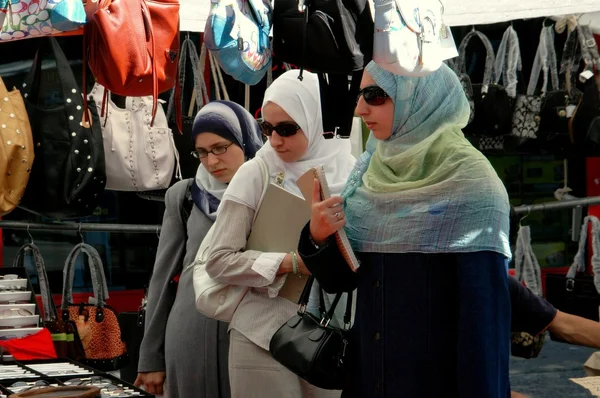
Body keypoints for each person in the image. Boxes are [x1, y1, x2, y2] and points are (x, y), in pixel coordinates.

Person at [299, 61, 512, 397]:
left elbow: (483, 325)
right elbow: (342, 280)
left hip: (433, 383)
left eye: (375, 94)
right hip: (370, 378)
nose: (360, 108)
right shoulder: (370, 173)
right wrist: (318, 235)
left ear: (420, 97)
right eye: (360, 94)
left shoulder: (474, 187)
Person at [205, 70, 356, 398]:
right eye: (266, 128)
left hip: (329, 339)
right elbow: (217, 261)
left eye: (287, 129)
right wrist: (290, 262)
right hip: (262, 333)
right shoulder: (257, 171)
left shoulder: (352, 171)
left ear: (316, 121)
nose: (274, 140)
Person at [135, 100, 263, 397]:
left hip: (250, 333)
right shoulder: (185, 197)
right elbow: (162, 278)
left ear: (246, 140)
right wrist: (151, 356)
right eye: (202, 152)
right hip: (192, 333)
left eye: (220, 147)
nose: (211, 161)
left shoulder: (269, 193)